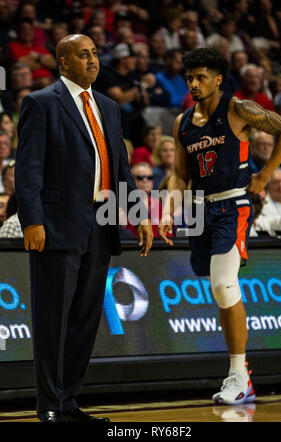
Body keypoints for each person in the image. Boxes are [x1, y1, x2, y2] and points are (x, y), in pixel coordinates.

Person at [15, 33, 153, 423]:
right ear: (64, 63)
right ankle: (49, 407)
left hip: (101, 224)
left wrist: (138, 215)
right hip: (56, 226)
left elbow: (122, 170)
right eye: (83, 54)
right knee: (53, 319)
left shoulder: (108, 106)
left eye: (95, 53)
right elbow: (28, 171)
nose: (93, 60)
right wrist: (34, 221)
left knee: (85, 320)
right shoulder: (41, 103)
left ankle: (69, 402)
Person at [158, 48, 281, 405]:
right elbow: (178, 174)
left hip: (233, 204)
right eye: (189, 77)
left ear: (219, 78)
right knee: (218, 288)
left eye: (201, 76)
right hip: (200, 211)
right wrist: (167, 211)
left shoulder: (238, 109)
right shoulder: (182, 122)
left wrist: (264, 174)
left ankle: (239, 374)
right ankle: (239, 374)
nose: (193, 83)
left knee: (223, 284)